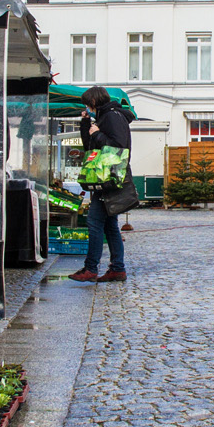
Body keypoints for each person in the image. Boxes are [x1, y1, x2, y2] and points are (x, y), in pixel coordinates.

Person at [69, 87, 132, 283]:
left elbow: (119, 148)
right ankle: (117, 269)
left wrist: (97, 133)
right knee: (110, 225)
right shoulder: (103, 118)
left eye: (88, 105)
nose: (87, 108)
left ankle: (91, 268)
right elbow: (90, 146)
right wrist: (86, 123)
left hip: (108, 178)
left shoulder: (112, 117)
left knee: (94, 222)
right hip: (103, 178)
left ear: (94, 102)